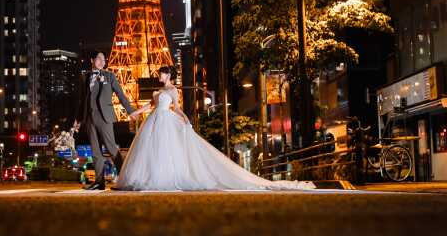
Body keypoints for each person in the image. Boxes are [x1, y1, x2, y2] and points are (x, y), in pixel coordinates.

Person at [115, 65, 315, 191]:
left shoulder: (173, 90)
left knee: (166, 149)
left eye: (161, 73)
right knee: (154, 150)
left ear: (168, 75)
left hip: (166, 120)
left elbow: (176, 107)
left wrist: (185, 119)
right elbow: (150, 106)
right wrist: (134, 112)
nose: (159, 75)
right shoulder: (158, 91)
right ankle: (151, 177)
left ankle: (164, 177)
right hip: (155, 120)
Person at [73, 50, 135, 190]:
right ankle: (99, 182)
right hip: (89, 118)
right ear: (92, 60)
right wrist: (78, 119)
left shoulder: (109, 76)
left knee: (111, 148)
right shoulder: (85, 77)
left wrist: (130, 111)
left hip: (104, 116)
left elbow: (120, 94)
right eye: (99, 58)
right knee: (95, 151)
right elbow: (82, 100)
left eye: (103, 59)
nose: (102, 61)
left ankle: (125, 180)